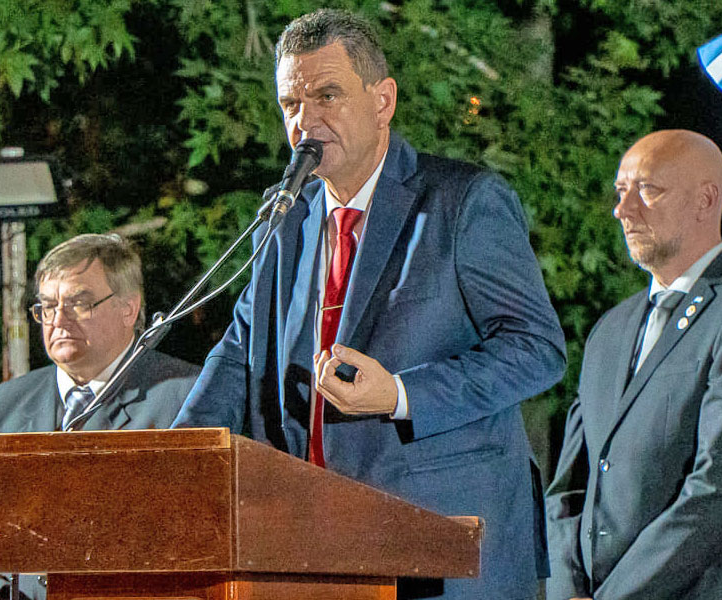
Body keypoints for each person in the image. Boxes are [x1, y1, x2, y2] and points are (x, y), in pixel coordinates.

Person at [172, 9, 566, 600]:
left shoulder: (463, 202)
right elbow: (242, 350)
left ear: (383, 101)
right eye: (290, 104)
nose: (305, 122)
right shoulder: (286, 214)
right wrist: (176, 457)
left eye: (327, 96)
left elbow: (537, 350)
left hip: (445, 547)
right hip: (311, 546)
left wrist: (401, 394)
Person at [546, 130, 722, 599]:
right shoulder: (610, 329)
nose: (623, 210)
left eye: (647, 190)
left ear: (706, 199)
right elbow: (569, 488)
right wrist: (567, 589)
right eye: (621, 191)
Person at [0, 233, 200, 600]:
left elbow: (194, 538)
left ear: (128, 309)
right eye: (47, 306)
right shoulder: (3, 406)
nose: (58, 320)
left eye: (79, 303)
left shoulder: (184, 397)